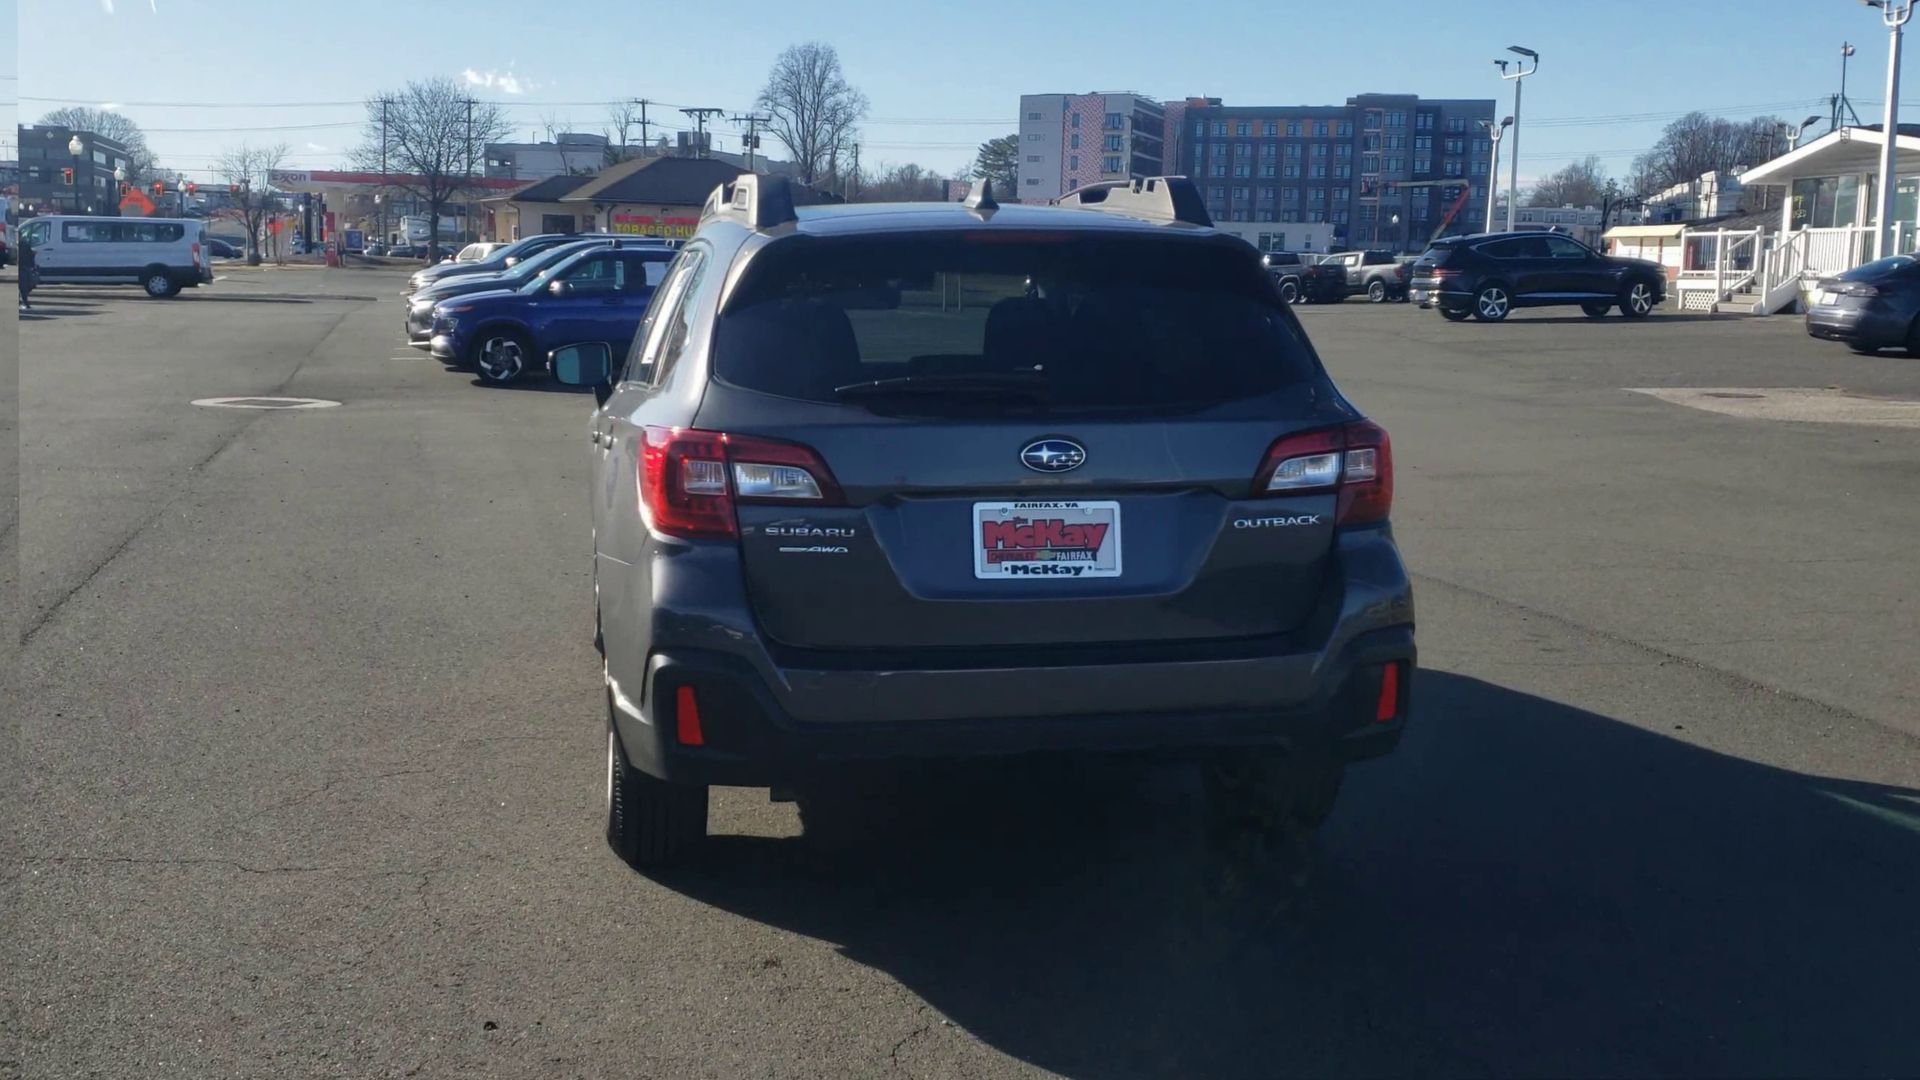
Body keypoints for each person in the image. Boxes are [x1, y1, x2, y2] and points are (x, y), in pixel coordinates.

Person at [17, 236, 35, 311]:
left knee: (26, 286)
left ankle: (23, 301)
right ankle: (25, 302)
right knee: (25, 286)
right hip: (23, 268)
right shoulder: (24, 245)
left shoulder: (25, 245)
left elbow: (30, 255)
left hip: (24, 268)